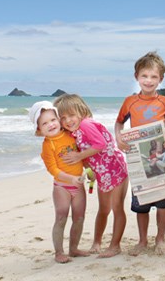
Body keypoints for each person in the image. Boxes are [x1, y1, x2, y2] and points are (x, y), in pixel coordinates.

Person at [115, 51, 165, 256]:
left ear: (161, 79)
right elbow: (119, 122)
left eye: (154, 77)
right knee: (141, 204)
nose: (149, 80)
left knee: (163, 202)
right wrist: (119, 138)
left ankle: (160, 239)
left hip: (161, 156)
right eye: (144, 76)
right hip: (138, 159)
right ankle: (142, 240)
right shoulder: (129, 102)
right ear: (137, 77)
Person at [54, 94, 129, 258]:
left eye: (72, 115)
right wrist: (90, 172)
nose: (68, 121)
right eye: (63, 118)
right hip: (102, 173)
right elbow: (87, 156)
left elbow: (100, 144)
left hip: (116, 169)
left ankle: (115, 246)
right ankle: (97, 242)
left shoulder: (86, 124)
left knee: (117, 208)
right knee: (103, 209)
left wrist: (78, 157)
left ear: (81, 111)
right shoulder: (75, 133)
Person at [28, 101, 91, 263]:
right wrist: (71, 179)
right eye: (44, 123)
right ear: (39, 129)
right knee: (61, 217)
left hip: (79, 185)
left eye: (53, 120)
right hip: (62, 187)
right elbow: (53, 170)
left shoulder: (71, 135)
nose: (50, 125)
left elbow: (82, 154)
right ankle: (59, 252)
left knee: (79, 217)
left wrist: (89, 170)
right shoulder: (48, 146)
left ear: (59, 119)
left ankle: (74, 248)